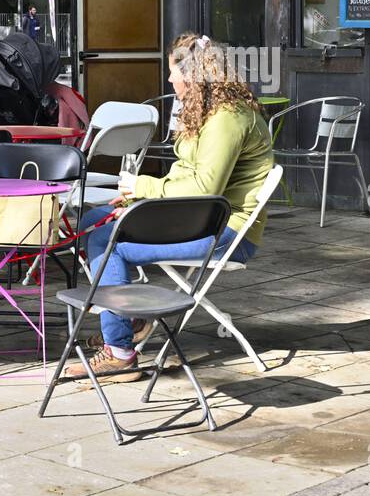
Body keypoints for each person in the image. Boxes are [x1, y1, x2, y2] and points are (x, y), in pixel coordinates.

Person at [69, 32, 276, 380]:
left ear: (194, 75)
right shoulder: (209, 112)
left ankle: (120, 351)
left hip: (226, 233)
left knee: (110, 243)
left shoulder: (227, 119)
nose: (169, 80)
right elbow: (186, 174)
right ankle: (131, 319)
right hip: (199, 219)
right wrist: (138, 198)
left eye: (173, 73)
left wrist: (142, 186)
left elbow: (205, 188)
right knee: (93, 218)